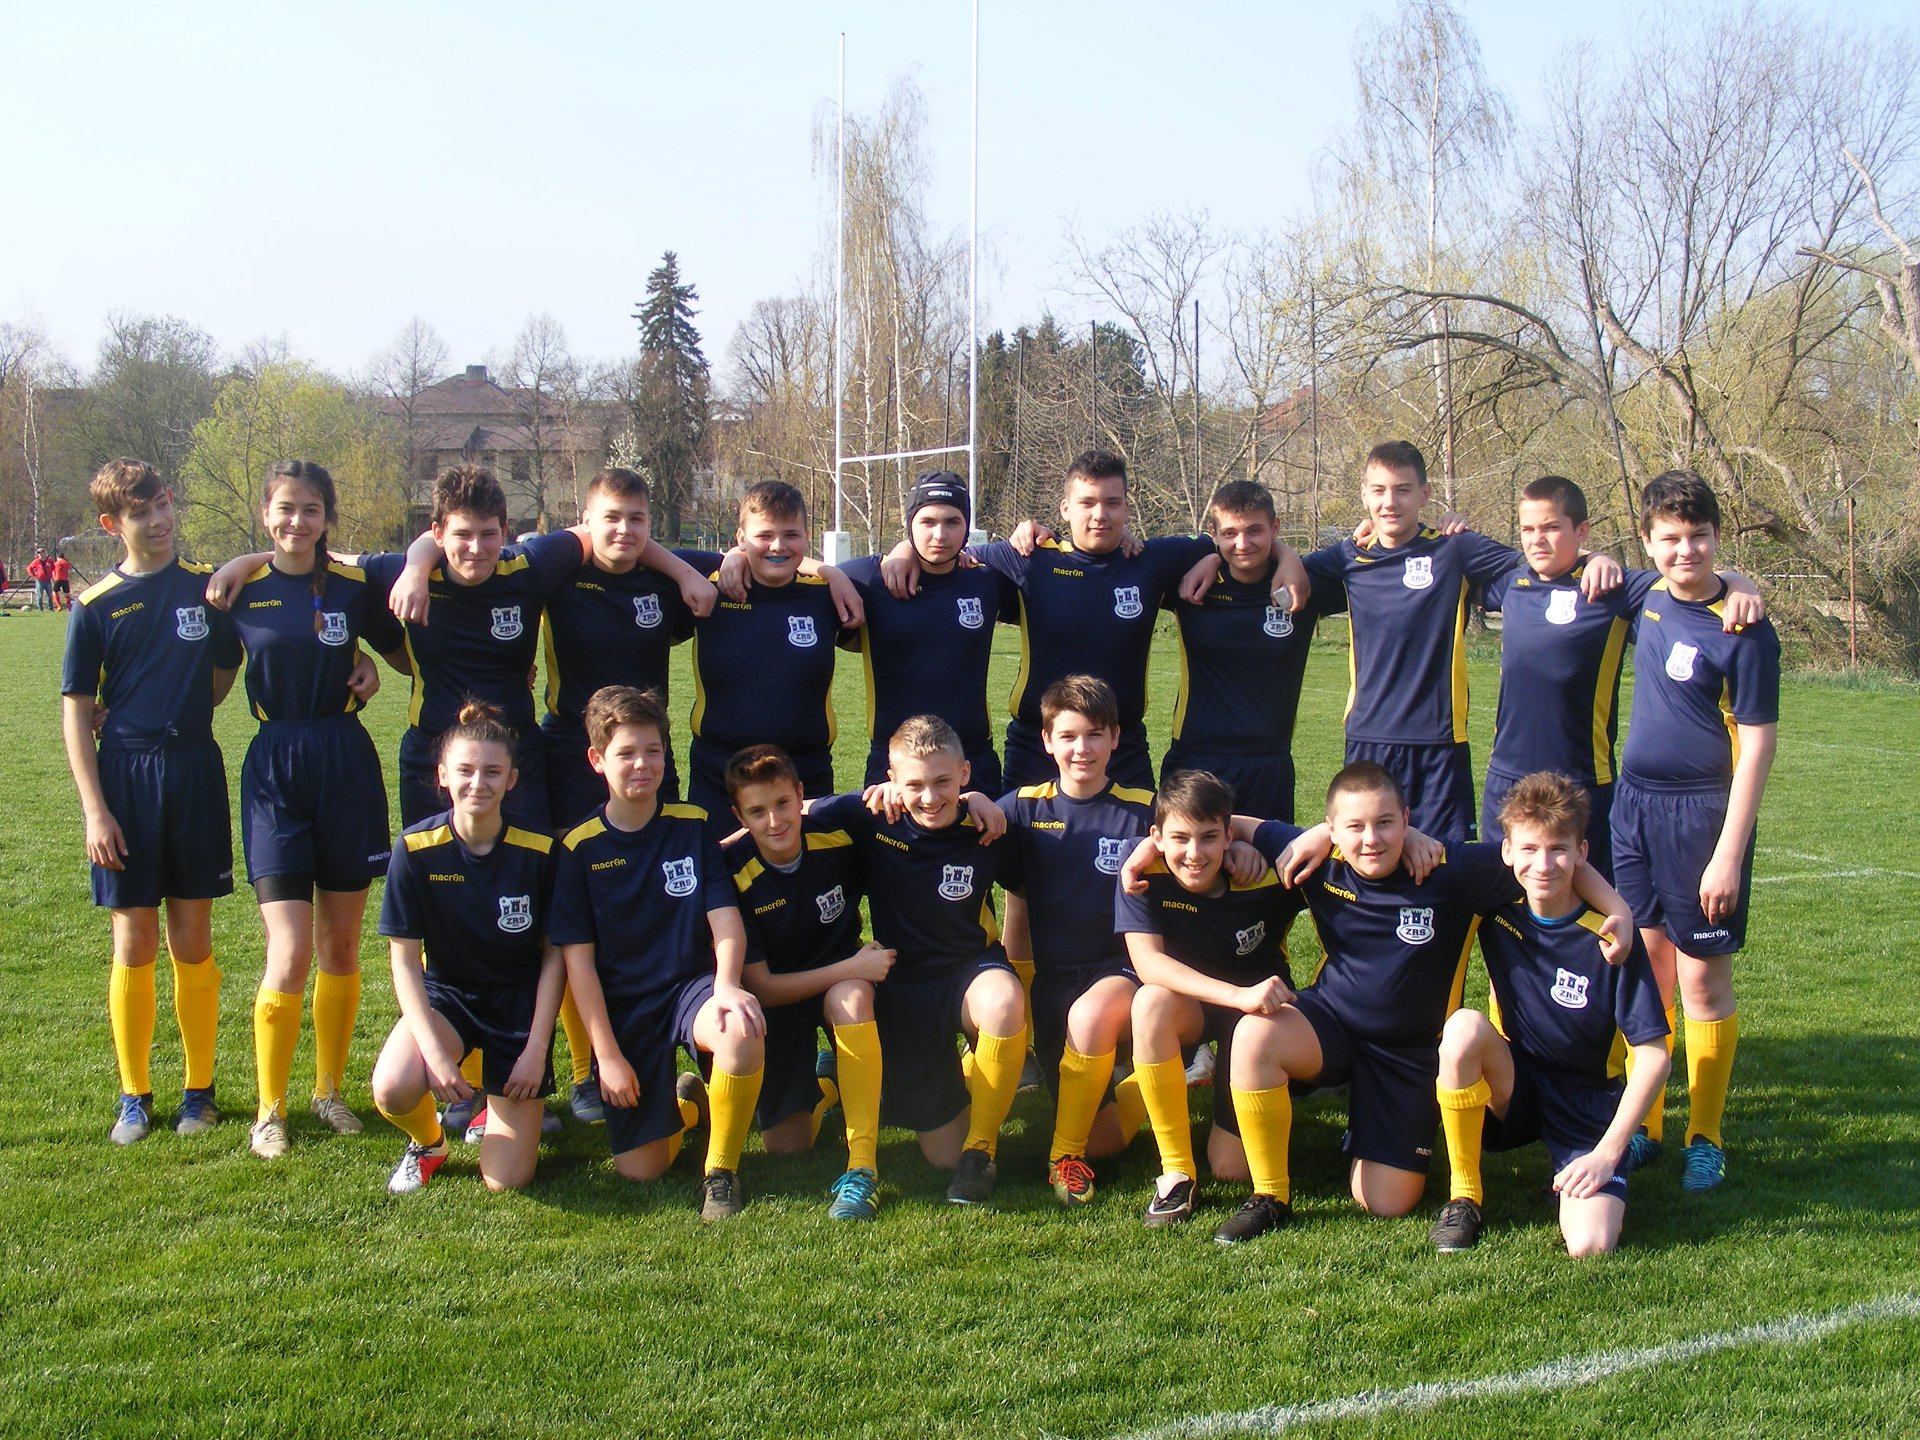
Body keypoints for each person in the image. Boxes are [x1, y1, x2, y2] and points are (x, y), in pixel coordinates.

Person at [1136, 761, 1629, 1240]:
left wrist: (1617, 908)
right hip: (1331, 1023)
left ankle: (1382, 1139)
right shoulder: (1321, 858)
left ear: (1407, 820)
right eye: (1355, 827)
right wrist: (1149, 848)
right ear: (1333, 828)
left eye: (1385, 823)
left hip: (1408, 1053)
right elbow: (1232, 824)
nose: (1371, 839)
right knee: (1251, 1049)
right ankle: (1270, 1197)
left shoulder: (1449, 869)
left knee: (1386, 1201)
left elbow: (1547, 859)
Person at [884, 450, 1306, 790]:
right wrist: (903, 549)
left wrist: (1281, 555)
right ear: (1065, 508)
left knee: (1132, 858)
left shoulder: (1154, 560)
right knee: (1022, 861)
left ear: (1126, 509)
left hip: (1122, 745)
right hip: (1037, 745)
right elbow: (947, 554)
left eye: (1111, 503)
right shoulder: (1028, 559)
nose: (1099, 514)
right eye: (1087, 503)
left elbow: (1231, 542)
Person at [1303, 441, 1620, 843]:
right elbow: (1283, 568)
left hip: (1439, 742)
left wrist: (1593, 557)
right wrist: (1264, 554)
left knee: (1439, 860)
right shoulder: (1348, 556)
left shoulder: (1454, 548)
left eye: (1403, 490)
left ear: (1424, 494)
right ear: (1364, 494)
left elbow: (1537, 562)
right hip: (1368, 737)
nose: (1390, 502)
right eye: (1379, 490)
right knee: (1366, 852)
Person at [60, 459, 242, 1144]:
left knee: (192, 937)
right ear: (112, 524)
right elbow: (76, 711)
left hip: (193, 767)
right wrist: (94, 810)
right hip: (125, 778)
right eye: (141, 513)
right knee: (133, 940)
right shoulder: (95, 605)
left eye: (163, 504)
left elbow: (222, 674)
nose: (159, 520)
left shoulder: (206, 586)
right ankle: (134, 1095)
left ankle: (200, 1092)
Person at [1611, 470, 1780, 1192]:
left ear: (1718, 537)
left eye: (1700, 537)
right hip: (1632, 809)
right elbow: (1580, 565)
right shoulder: (1645, 595)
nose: (1686, 551)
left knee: (1702, 981)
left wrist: (1728, 855)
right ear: (1648, 542)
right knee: (1647, 970)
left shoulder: (1745, 629)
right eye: (1671, 538)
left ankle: (1705, 1136)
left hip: (1702, 817)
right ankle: (1646, 1128)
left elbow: (1759, 745)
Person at [225, 460, 400, 1158]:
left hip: (344, 761)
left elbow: (409, 655)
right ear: (266, 514)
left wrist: (375, 666)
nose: (297, 521)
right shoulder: (240, 589)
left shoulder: (354, 587)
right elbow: (205, 683)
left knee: (341, 945)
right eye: (285, 508)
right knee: (290, 948)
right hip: (275, 769)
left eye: (311, 509)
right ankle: (269, 1109)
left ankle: (328, 1092)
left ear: (328, 517)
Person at [1428, 772, 1671, 1255]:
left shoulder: (1612, 937)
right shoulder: (1495, 905)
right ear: (1507, 852)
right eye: (1529, 849)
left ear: (1582, 853)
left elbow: (1654, 1058)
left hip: (1587, 1107)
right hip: (1517, 1083)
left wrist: (1608, 1154)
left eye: (1558, 849)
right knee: (1462, 1030)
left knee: (1591, 1244)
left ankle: (1578, 1167)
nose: (1542, 865)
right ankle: (1463, 1198)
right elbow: (1409, 845)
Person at [552, 686, 767, 1221]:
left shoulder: (692, 824)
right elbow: (579, 965)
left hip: (691, 989)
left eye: (653, 750)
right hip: (626, 1008)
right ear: (597, 760)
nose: (642, 764)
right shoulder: (579, 848)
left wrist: (726, 985)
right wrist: (606, 1056)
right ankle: (691, 1106)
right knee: (640, 1169)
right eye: (626, 753)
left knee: (739, 1030)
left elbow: (725, 918)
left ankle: (720, 1172)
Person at [1476, 474, 1763, 873]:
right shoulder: (1512, 580)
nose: (1537, 540)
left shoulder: (1616, 588)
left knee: (1586, 896)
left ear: (1581, 531)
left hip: (1581, 780)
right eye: (1528, 529)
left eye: (1551, 528)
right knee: (1501, 892)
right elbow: (1451, 558)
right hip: (1506, 777)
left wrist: (1739, 584)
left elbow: (1689, 580)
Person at [808, 715, 1027, 1203]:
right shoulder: (872, 815)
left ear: (965, 773)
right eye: (915, 785)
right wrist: (720, 847)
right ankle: (957, 1077)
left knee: (1004, 1002)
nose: (929, 797)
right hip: (904, 986)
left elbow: (1038, 874)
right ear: (891, 779)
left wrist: (979, 801)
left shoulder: (987, 825)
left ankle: (981, 1151)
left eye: (943, 782)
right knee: (939, 1154)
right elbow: (789, 811)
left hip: (970, 970)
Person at [370, 701, 565, 1194]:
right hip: (449, 998)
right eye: (466, 771)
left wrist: (537, 1048)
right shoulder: (415, 848)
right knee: (392, 1087)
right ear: (443, 776)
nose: (478, 783)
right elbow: (404, 961)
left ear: (512, 780)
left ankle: (492, 1112)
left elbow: (555, 956)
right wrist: (435, 1055)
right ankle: (428, 1142)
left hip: (517, 1007)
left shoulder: (540, 851)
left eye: (492, 772)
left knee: (505, 1181)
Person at [1116, 770, 1311, 1239]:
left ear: (1228, 834)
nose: (1194, 853)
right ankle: (1176, 1173)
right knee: (1150, 1002)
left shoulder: (1265, 873)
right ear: (1156, 837)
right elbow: (1149, 965)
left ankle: (1258, 1081)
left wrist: (1246, 837)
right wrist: (1237, 995)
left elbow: (1330, 844)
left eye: (1209, 837)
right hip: (1203, 1006)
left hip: (1258, 1020)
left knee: (1230, 1168)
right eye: (1179, 838)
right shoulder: (1141, 872)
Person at [995, 676, 1154, 1206]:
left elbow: (1210, 824)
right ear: (1046, 741)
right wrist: (969, 798)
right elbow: (952, 813)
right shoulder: (1024, 807)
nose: (1081, 748)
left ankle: (1063, 1158)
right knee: (1106, 1142)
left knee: (1089, 1017)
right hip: (1053, 985)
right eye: (1067, 736)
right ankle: (1149, 1081)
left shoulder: (1142, 810)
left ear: (1115, 738)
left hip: (1120, 972)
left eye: (1094, 734)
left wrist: (1246, 840)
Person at [724, 744, 891, 1220]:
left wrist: (973, 798)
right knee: (786, 1146)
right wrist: (851, 967)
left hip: (844, 989)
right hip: (780, 1001)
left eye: (783, 804)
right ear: (739, 817)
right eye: (757, 812)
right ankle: (829, 1085)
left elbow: (903, 795)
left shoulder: (837, 829)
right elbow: (763, 987)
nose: (775, 821)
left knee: (851, 998)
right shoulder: (733, 870)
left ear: (801, 796)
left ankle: (863, 1165)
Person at [680, 482, 857, 837]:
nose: (778, 546)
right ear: (741, 538)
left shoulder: (827, 596)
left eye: (791, 534)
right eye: (764, 535)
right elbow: (643, 549)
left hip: (805, 774)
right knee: (719, 869)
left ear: (807, 537)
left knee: (809, 870)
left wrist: (831, 571)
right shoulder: (708, 586)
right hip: (719, 775)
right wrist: (731, 557)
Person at [1162, 480, 1327, 824]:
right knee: (1190, 856)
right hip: (1196, 758)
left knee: (1266, 859)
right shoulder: (1191, 582)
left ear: (1275, 528)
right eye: (1230, 533)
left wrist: (1288, 555)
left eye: (1254, 530)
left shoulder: (1301, 584)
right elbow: (1124, 561)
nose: (1242, 543)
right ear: (1214, 534)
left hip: (1268, 764)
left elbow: (1370, 558)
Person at [838, 471, 1013, 791]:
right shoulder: (869, 578)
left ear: (966, 526)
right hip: (894, 763)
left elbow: (1045, 559)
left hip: (973, 759)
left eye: (952, 522)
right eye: (927, 522)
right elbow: (790, 571)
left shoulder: (987, 579)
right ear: (910, 525)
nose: (939, 534)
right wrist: (741, 556)